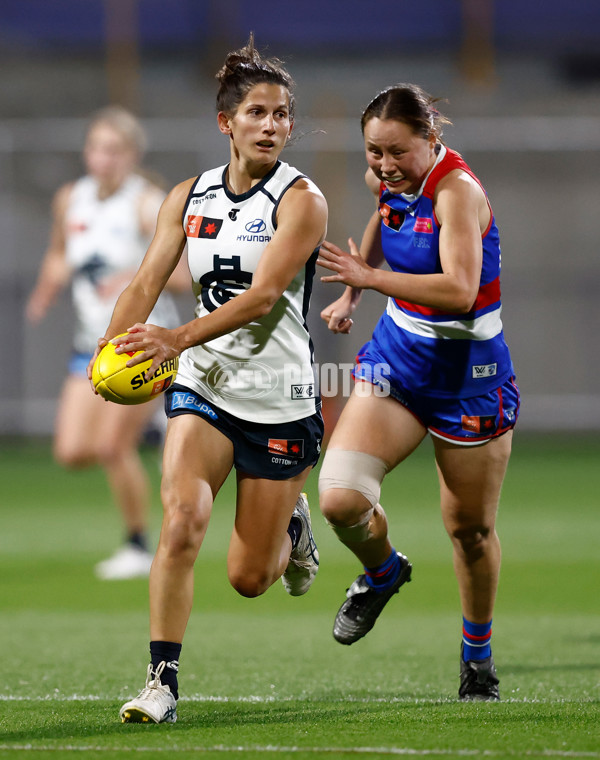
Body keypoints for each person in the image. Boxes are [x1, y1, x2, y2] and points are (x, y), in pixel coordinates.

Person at [86, 36, 328, 724]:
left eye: (282, 113)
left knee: (250, 579)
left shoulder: (301, 200)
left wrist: (173, 337)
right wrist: (115, 353)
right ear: (227, 123)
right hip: (204, 386)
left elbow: (261, 297)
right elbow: (145, 282)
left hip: (279, 399)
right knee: (183, 521)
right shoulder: (188, 197)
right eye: (258, 112)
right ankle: (161, 681)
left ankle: (293, 528)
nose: (274, 125)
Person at [317, 84, 519, 701]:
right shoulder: (393, 184)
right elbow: (381, 221)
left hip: (469, 381)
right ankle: (383, 573)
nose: (383, 166)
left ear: (431, 138)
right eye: (373, 153)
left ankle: (477, 658)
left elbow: (460, 290)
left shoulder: (458, 192)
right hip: (399, 361)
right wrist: (353, 294)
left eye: (396, 152)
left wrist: (368, 279)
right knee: (340, 500)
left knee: (470, 531)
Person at [26, 106, 188, 581]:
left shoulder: (147, 201)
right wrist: (44, 291)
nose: (104, 158)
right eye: (96, 148)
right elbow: (60, 254)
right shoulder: (69, 199)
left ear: (132, 155)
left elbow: (181, 276)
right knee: (73, 451)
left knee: (112, 446)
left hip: (142, 346)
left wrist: (133, 278)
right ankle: (158, 427)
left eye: (114, 150)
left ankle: (137, 546)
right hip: (92, 344)